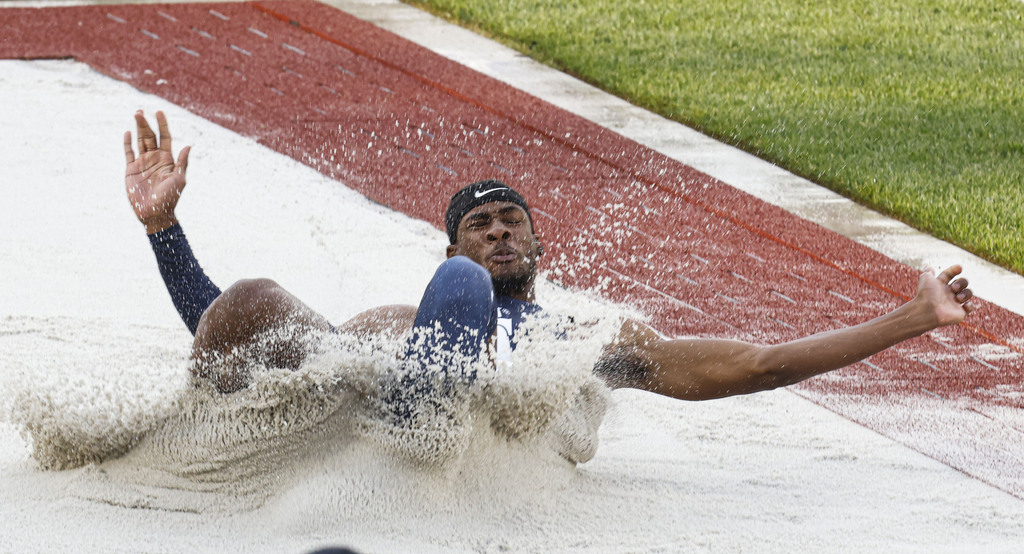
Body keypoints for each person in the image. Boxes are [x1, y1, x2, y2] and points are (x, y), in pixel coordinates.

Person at [124, 110, 976, 402]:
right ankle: (209, 428)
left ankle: (435, 418)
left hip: (470, 413)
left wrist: (911, 317)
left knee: (464, 296)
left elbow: (756, 365)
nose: (497, 231)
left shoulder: (588, 340)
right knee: (248, 296)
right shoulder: (402, 311)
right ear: (446, 244)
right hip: (359, 392)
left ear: (539, 243)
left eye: (510, 220)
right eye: (478, 225)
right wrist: (166, 231)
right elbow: (221, 328)